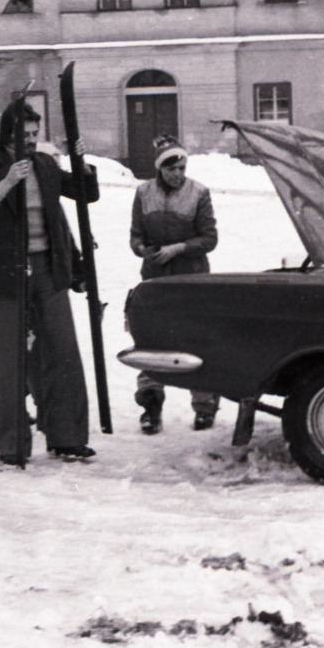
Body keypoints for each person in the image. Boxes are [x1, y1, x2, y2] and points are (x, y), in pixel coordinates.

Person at [0, 99, 99, 465]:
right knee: (12, 359)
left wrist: (80, 163)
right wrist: (7, 182)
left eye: (36, 134)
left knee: (63, 351)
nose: (32, 141)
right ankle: (13, 445)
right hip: (9, 274)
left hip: (49, 269)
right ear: (7, 134)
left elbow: (86, 194)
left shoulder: (45, 164)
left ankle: (66, 436)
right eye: (25, 135)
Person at [128, 135, 219, 433]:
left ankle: (205, 407)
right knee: (152, 341)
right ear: (160, 169)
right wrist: (143, 249)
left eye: (181, 167)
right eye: (171, 169)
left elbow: (209, 238)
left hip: (192, 278)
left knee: (196, 339)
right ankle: (151, 406)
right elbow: (135, 236)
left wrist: (178, 248)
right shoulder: (143, 193)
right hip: (155, 278)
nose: (177, 174)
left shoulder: (199, 193)